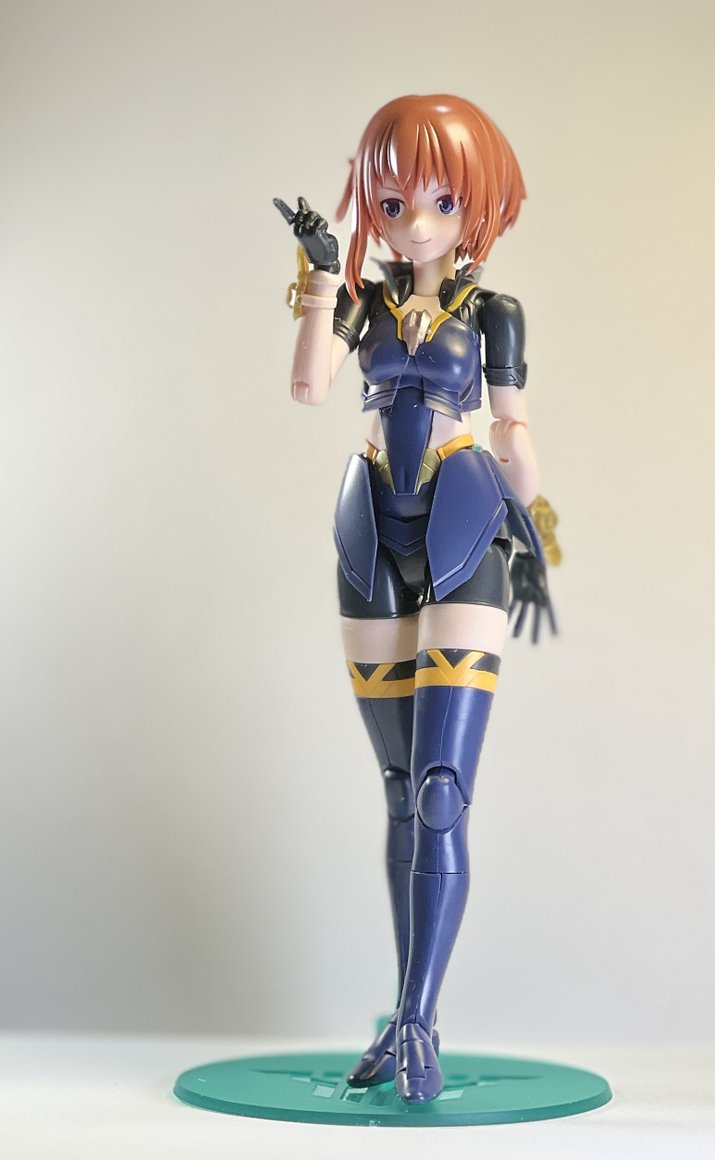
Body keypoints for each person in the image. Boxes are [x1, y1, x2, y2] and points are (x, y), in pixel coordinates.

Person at [276, 95, 559, 1104]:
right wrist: (322, 277)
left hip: (461, 525)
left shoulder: (492, 313)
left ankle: (419, 1019)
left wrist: (529, 518)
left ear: (476, 203)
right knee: (400, 791)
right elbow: (310, 386)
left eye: (441, 199)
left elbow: (513, 432)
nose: (417, 221)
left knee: (441, 791)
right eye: (393, 201)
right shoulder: (364, 301)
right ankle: (405, 1012)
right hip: (368, 530)